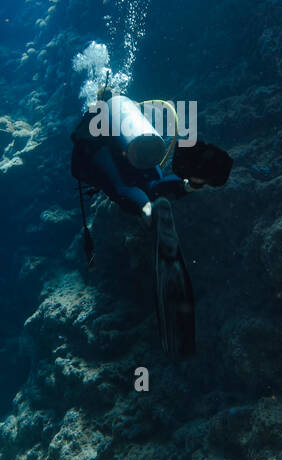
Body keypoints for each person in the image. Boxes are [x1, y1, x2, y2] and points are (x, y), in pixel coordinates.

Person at [70, 90, 232, 360]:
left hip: (109, 156)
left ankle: (146, 210)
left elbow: (80, 167)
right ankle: (189, 185)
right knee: (153, 184)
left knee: (123, 187)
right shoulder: (127, 112)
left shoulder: (94, 123)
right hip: (143, 147)